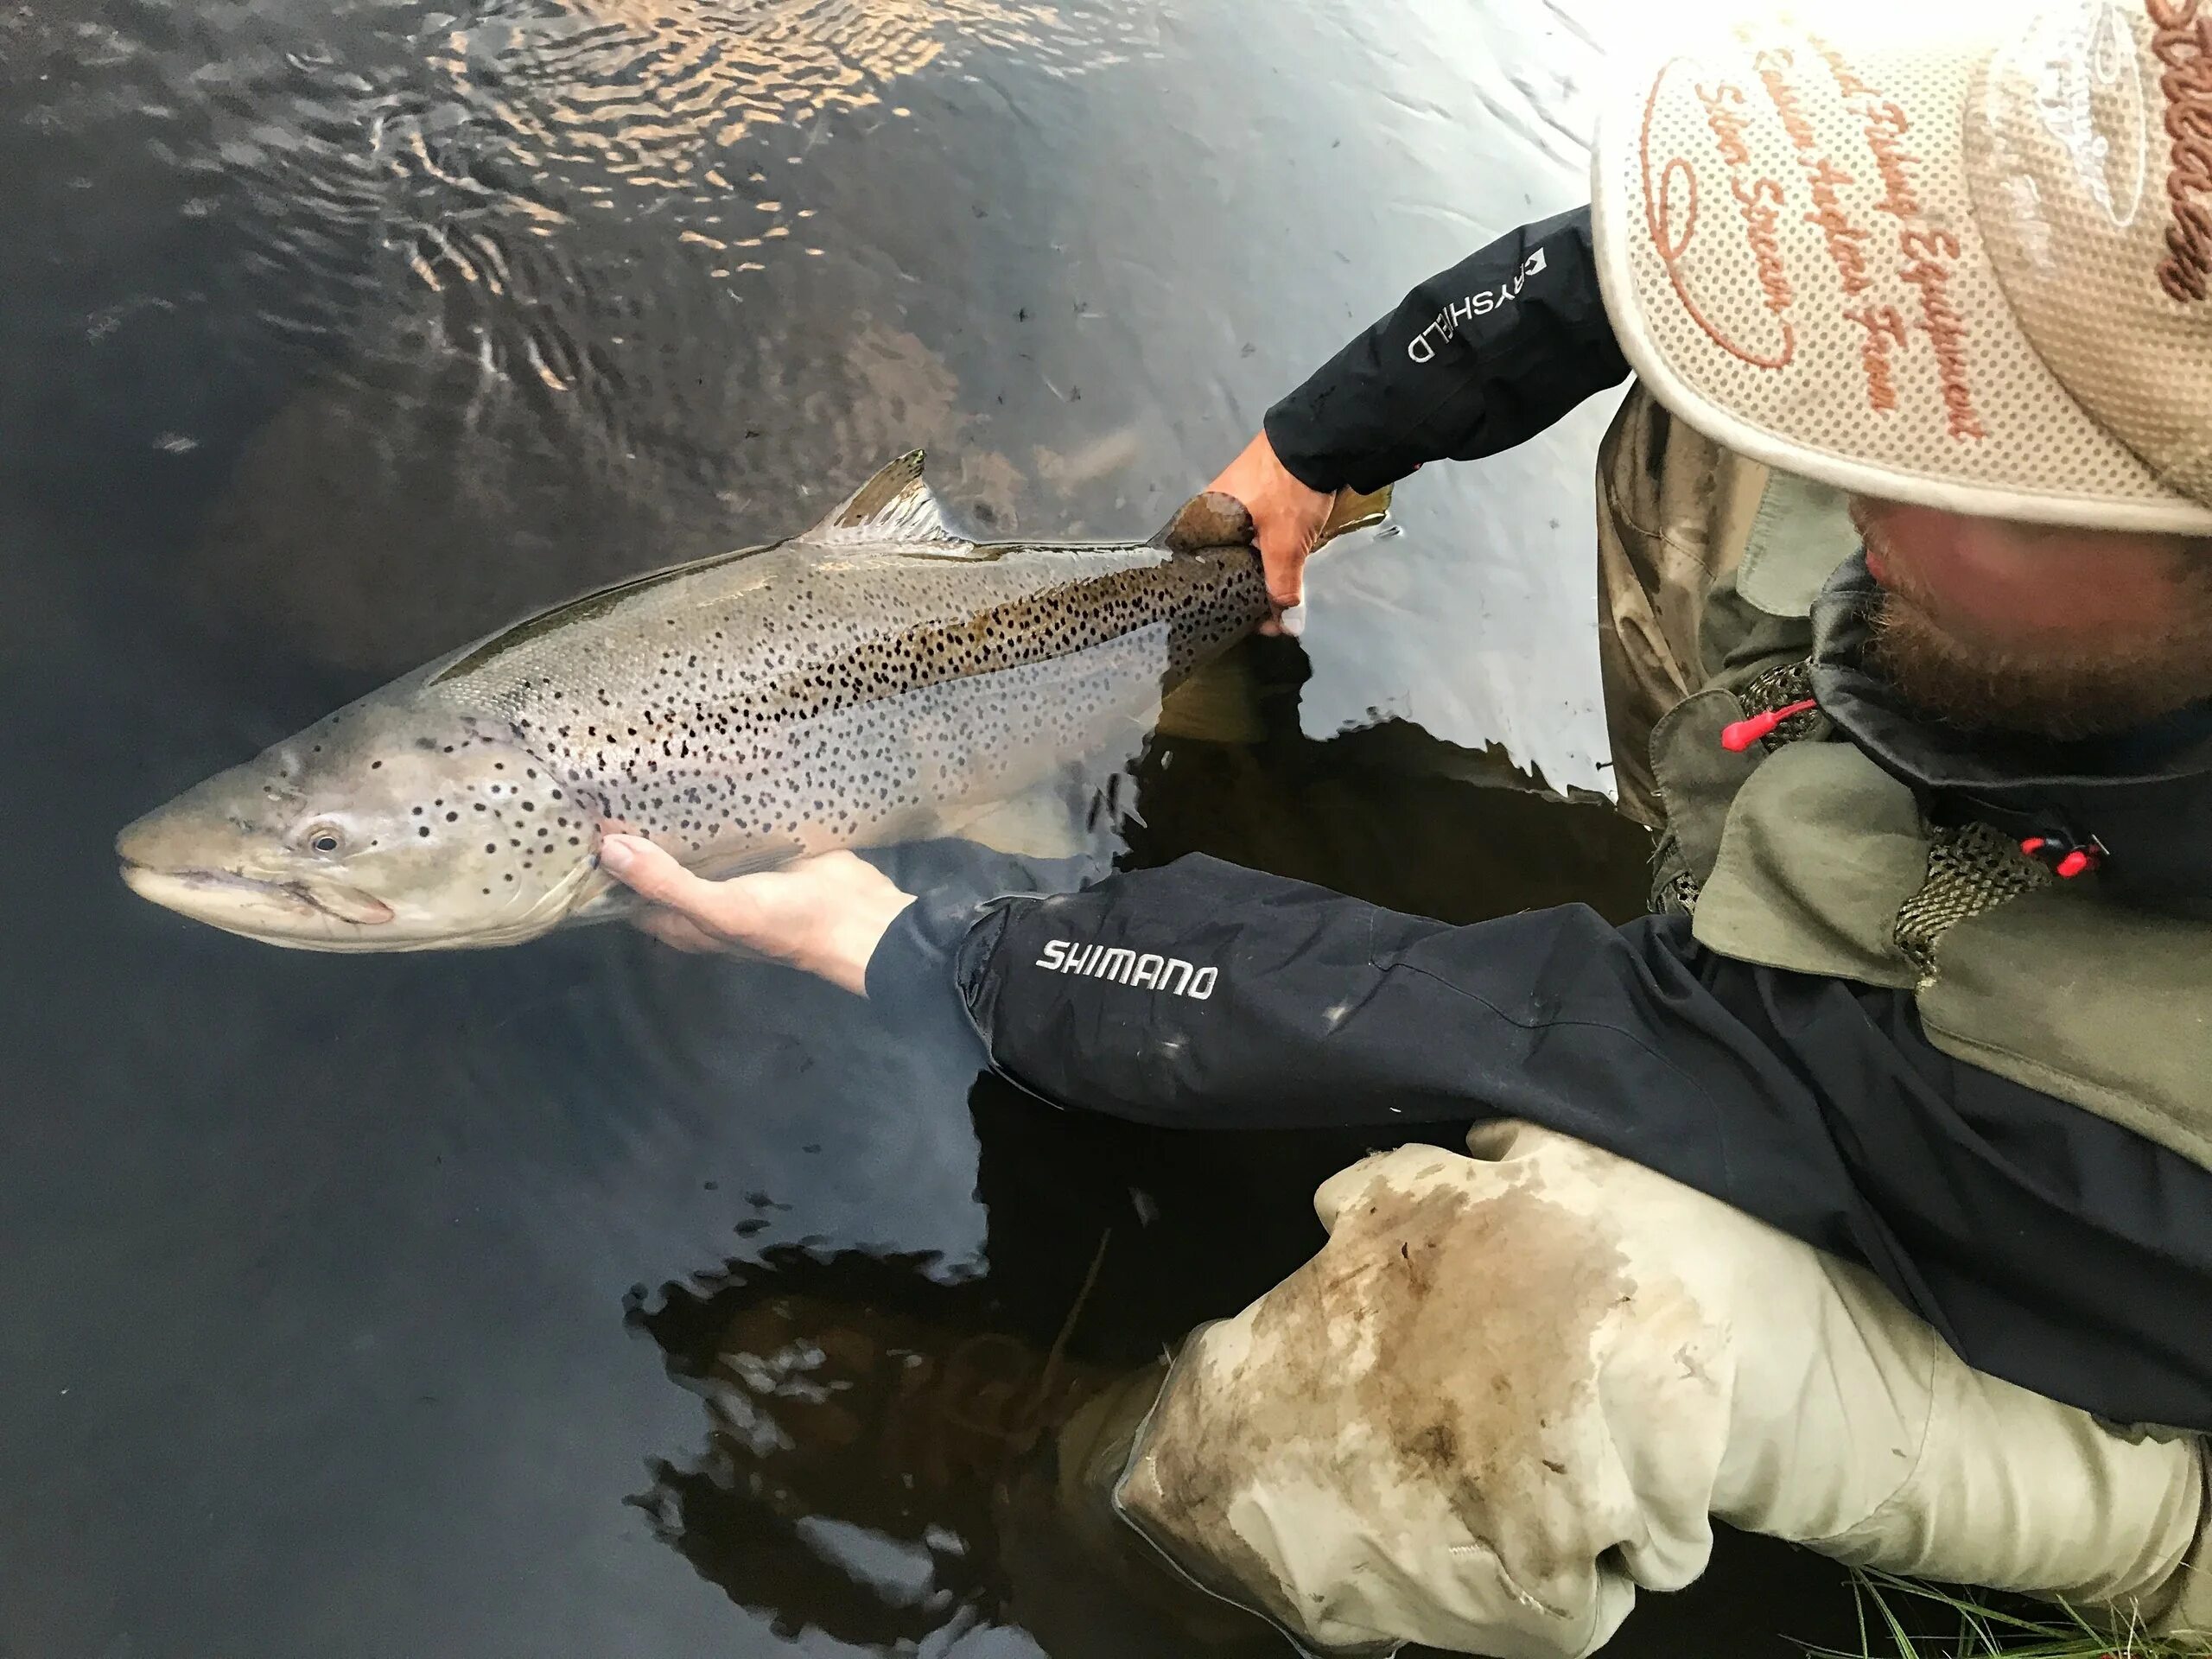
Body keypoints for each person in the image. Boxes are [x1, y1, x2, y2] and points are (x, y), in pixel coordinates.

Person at [601, 1, 2212, 1653]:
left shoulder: (2089, 1099)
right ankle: (1739, 847)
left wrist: (941, 952)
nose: (1855, 463)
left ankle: (1067, 1514)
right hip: (1990, 907)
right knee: (1736, 373)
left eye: (1984, 460)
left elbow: (1535, 1030)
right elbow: (1641, 265)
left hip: (2142, 1342)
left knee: (1521, 1333)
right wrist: (1317, 449)